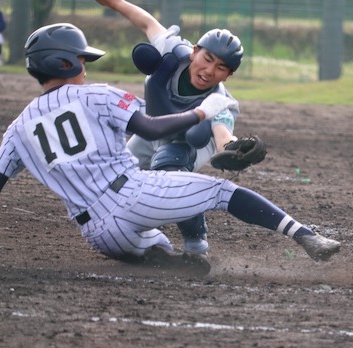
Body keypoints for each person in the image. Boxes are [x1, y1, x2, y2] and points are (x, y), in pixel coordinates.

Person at [0, 23, 341, 275]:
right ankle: (306, 236)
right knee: (220, 192)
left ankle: (174, 260)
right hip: (132, 195)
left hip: (97, 233)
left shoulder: (18, 128)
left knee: (164, 253)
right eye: (81, 58)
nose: (86, 65)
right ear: (65, 64)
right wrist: (203, 113)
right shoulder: (97, 95)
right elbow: (149, 126)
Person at [95, 0, 252, 259]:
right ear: (194, 51)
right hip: (154, 131)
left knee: (172, 168)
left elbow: (223, 136)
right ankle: (139, 230)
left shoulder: (221, 100)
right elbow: (145, 21)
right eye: (208, 59)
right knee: (114, 181)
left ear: (228, 75)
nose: (210, 70)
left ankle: (195, 245)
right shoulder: (172, 52)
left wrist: (232, 149)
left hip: (192, 144)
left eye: (221, 67)